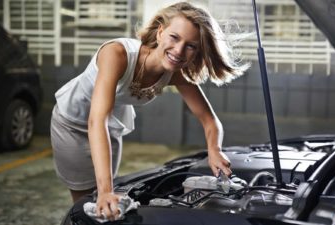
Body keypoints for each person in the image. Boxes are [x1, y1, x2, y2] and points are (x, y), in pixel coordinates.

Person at [50, 1, 249, 221]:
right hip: (73, 122)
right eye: (174, 37)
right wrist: (106, 191)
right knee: (86, 199)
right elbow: (96, 121)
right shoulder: (117, 54)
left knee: (105, 197)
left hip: (110, 127)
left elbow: (210, 120)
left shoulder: (176, 73)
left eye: (191, 45)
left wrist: (214, 149)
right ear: (161, 32)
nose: (179, 51)